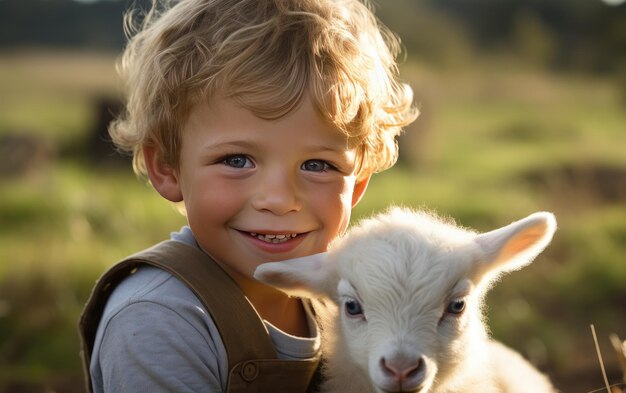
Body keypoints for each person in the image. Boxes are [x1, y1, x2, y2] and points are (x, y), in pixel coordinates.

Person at [79, 0, 417, 391]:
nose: (278, 199)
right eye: (237, 160)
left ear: (357, 182)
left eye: (318, 165)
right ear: (167, 168)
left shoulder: (345, 304)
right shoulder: (158, 318)